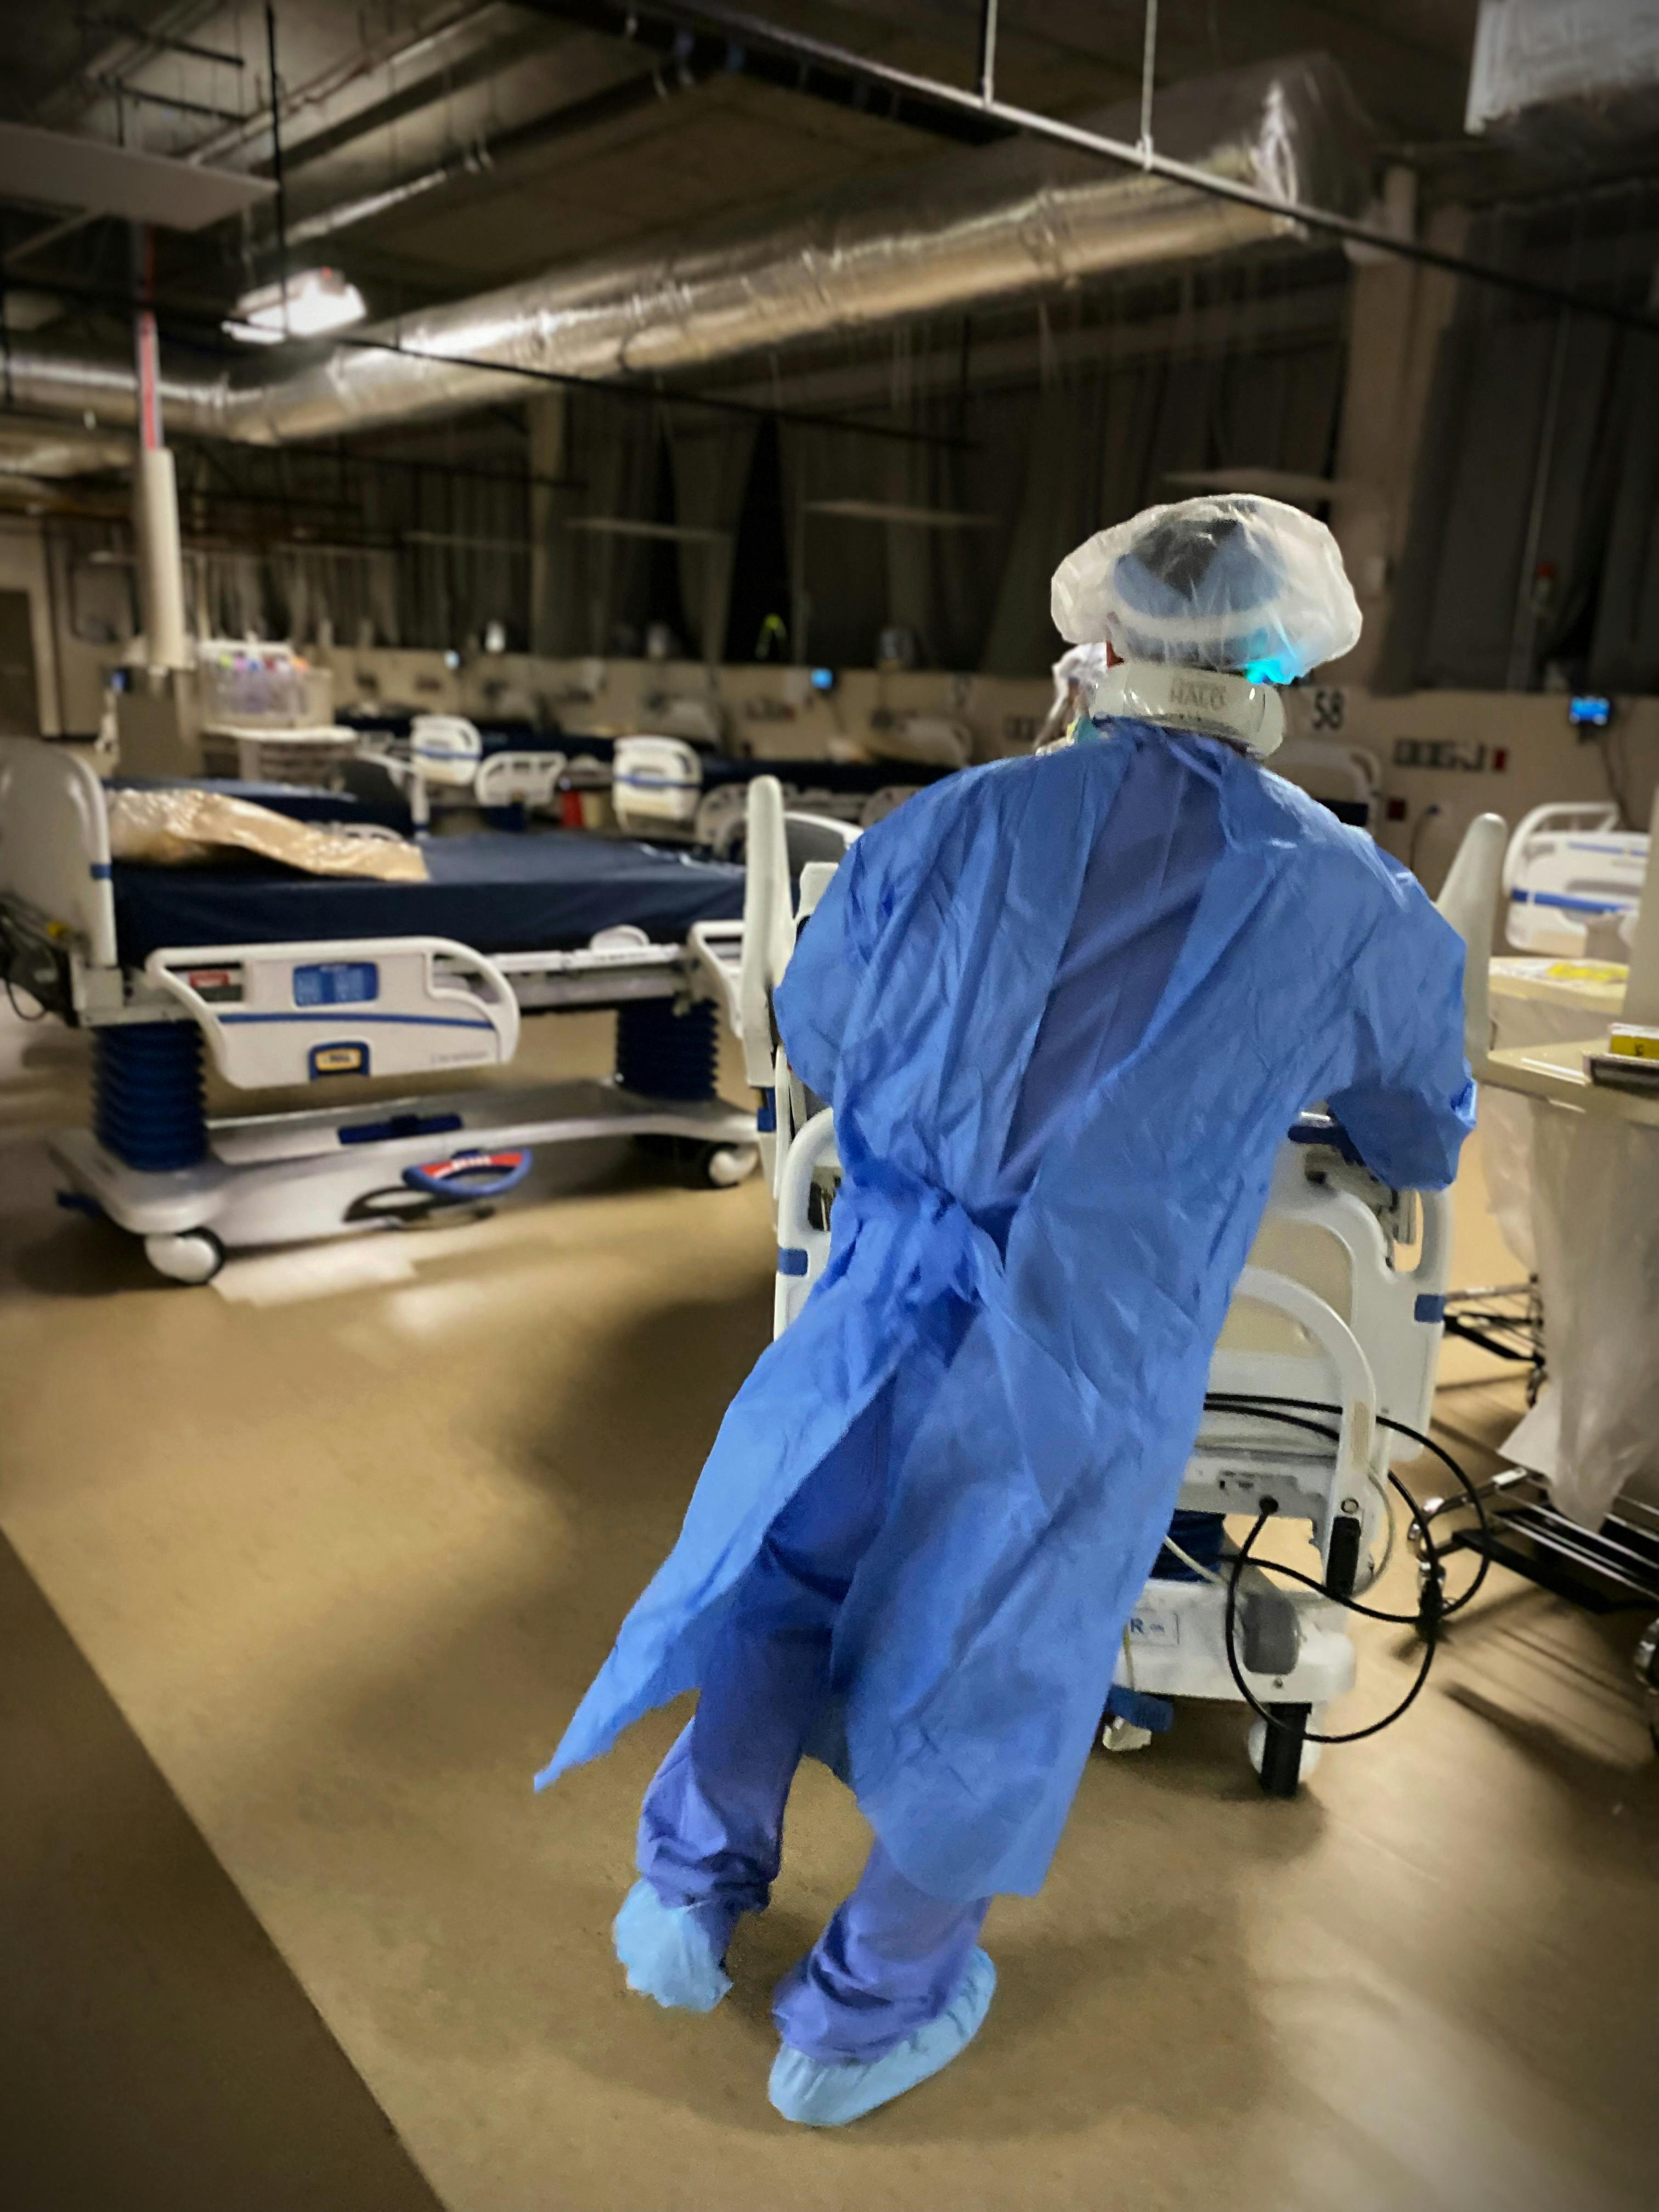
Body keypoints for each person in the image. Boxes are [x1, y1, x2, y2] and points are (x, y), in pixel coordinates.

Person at [536, 495, 1475, 2127]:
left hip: (881, 1301)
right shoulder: (1350, 903)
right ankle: (858, 2021)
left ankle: (687, 1895)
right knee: (1006, 1662)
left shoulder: (947, 827)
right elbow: (1419, 1128)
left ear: (1097, 648)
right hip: (1087, 1353)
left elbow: (816, 1022)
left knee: (786, 1580)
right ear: (1284, 669)